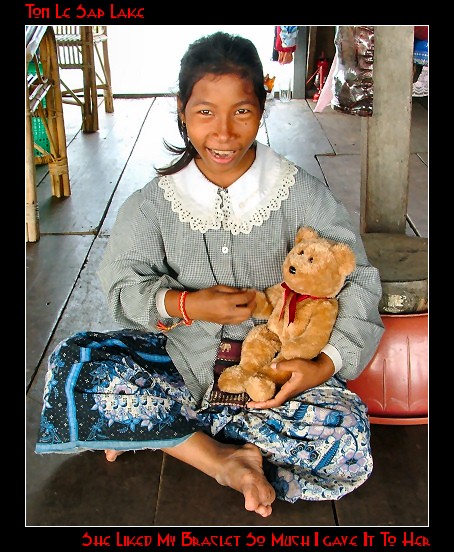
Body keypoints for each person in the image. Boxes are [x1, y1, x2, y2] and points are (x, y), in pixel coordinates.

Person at [36, 32, 384, 518]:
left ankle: (165, 434)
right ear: (181, 109)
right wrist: (188, 305)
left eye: (241, 111)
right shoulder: (154, 204)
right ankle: (225, 459)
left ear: (261, 110)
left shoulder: (301, 194)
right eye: (204, 112)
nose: (223, 132)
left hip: (272, 379)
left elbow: (360, 281)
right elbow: (120, 285)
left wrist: (320, 367)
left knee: (346, 439)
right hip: (184, 366)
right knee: (76, 363)